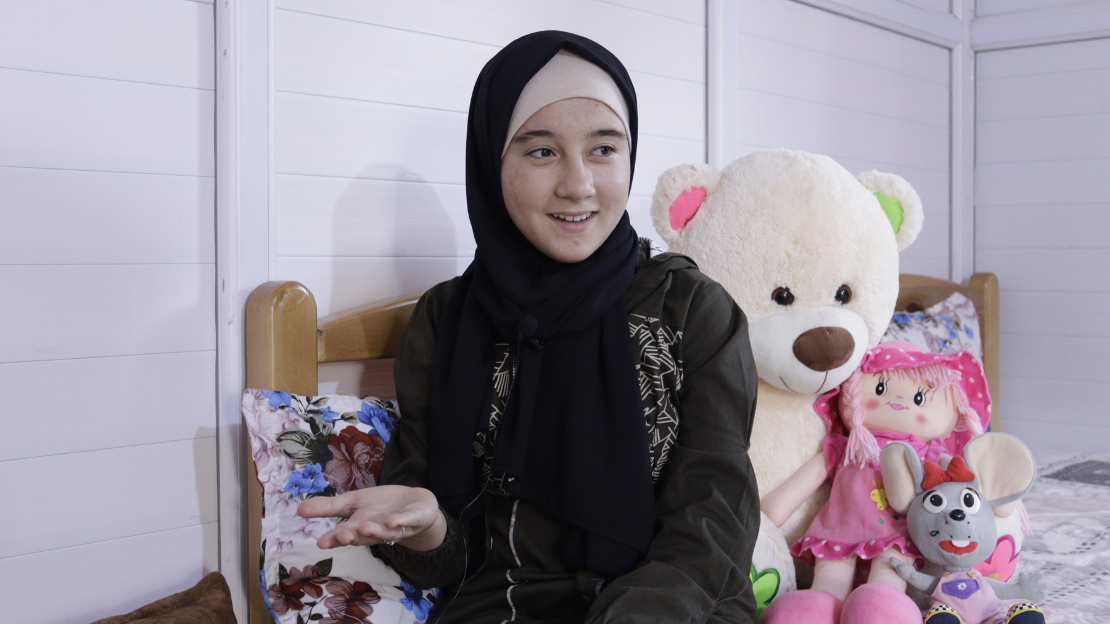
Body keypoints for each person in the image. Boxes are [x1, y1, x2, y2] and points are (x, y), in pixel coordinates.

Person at [298, 30, 761, 623]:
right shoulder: (446, 320)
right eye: (541, 151)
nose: (578, 184)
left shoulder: (693, 309)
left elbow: (714, 520)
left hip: (677, 606)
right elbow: (445, 559)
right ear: (493, 161)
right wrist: (430, 528)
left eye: (603, 149)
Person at [760, 341, 991, 624]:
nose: (898, 402)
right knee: (829, 581)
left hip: (897, 534)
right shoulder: (848, 446)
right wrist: (772, 512)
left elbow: (963, 482)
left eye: (920, 399)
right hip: (839, 530)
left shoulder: (929, 454)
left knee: (887, 580)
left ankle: (880, 612)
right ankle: (812, 614)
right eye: (879, 389)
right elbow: (809, 478)